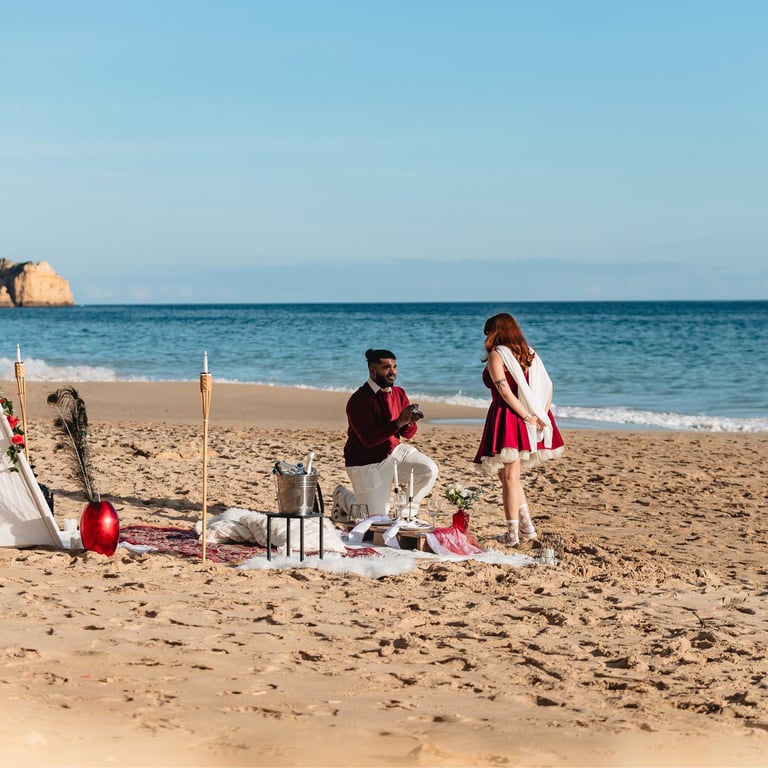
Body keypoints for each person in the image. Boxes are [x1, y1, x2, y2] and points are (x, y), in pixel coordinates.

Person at [474, 313, 565, 545]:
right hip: (528, 414)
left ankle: (512, 534)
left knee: (510, 476)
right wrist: (541, 413)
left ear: (496, 332)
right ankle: (526, 527)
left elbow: (504, 391)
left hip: (509, 415)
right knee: (507, 475)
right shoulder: (529, 353)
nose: (486, 337)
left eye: (488, 332)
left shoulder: (497, 354)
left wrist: (527, 416)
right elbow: (548, 387)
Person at [332, 348, 438, 523]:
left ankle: (405, 516)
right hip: (366, 463)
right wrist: (398, 422)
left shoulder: (399, 393)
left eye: (394, 367)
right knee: (376, 518)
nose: (392, 372)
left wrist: (409, 422)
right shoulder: (359, 400)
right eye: (386, 367)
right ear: (372, 371)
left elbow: (407, 434)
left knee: (428, 469)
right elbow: (369, 440)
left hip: (394, 453)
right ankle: (343, 497)